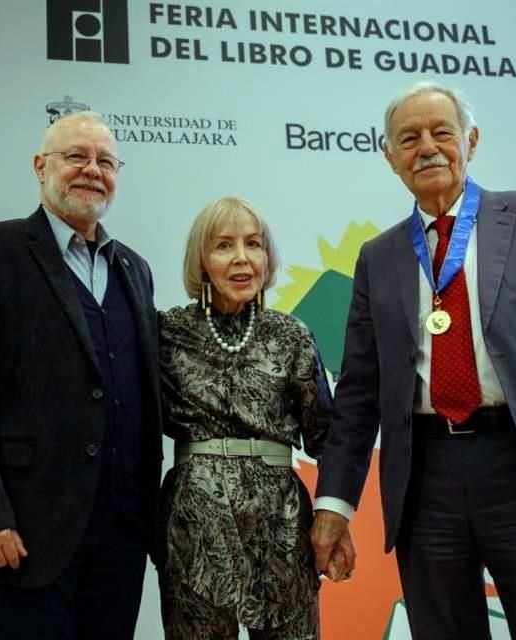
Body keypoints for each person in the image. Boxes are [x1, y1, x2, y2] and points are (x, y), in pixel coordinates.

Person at [311, 81, 516, 639]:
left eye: (441, 132)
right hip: (426, 481)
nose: (427, 148)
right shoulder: (378, 257)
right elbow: (358, 394)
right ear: (390, 157)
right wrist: (333, 504)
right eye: (408, 139)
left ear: (471, 140)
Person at [0, 111, 162, 640]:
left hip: (120, 537)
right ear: (40, 166)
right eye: (76, 156)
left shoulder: (135, 269)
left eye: (106, 161)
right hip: (19, 533)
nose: (92, 170)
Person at [156, 196, 332, 640]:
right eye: (223, 245)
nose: (241, 257)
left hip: (282, 526)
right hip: (195, 526)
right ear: (201, 260)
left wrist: (334, 521)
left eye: (253, 244)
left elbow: (328, 437)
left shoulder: (291, 336)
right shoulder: (166, 333)